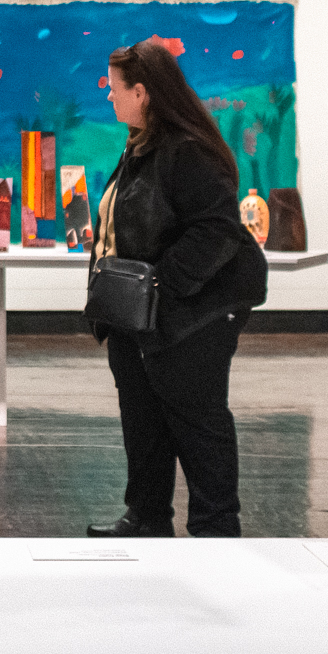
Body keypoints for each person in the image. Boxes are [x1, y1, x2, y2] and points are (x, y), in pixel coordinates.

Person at [87, 39, 267, 540]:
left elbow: (217, 230)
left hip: (194, 313)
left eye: (114, 87)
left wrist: (161, 284)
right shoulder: (140, 145)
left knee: (197, 421)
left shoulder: (187, 151)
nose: (108, 96)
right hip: (139, 315)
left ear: (141, 92)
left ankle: (215, 530)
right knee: (142, 419)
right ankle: (146, 517)